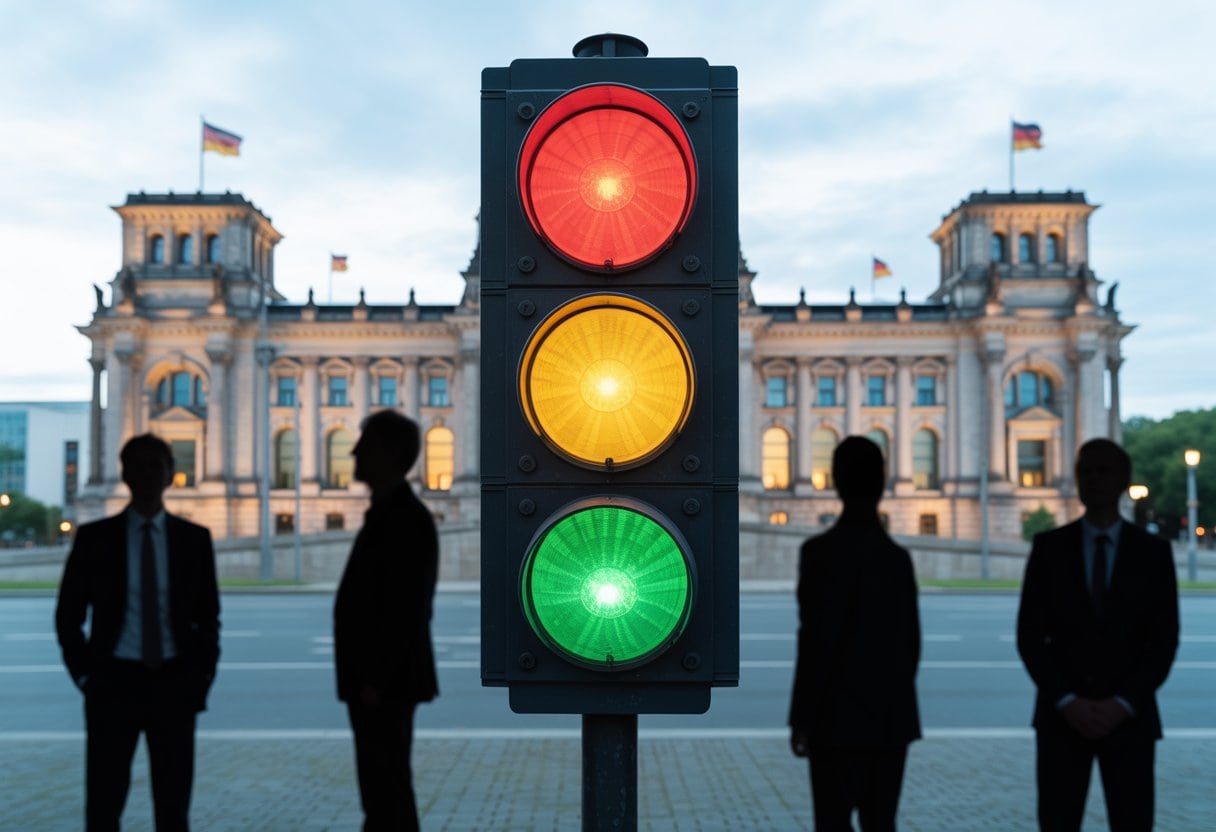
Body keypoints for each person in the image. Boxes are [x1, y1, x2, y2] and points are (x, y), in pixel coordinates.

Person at [55, 433, 221, 831]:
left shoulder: (194, 540)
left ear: (170, 475)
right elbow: (68, 616)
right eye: (139, 466)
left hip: (174, 683)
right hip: (113, 683)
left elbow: (208, 619)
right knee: (104, 805)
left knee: (174, 807)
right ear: (125, 474)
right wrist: (86, 675)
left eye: (156, 466)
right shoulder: (95, 539)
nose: (147, 474)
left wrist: (199, 678)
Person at [1017, 438, 1179, 831]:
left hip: (1129, 721)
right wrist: (1067, 700)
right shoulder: (1048, 547)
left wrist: (1122, 703)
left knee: (1132, 822)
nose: (1093, 479)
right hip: (1062, 721)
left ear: (1124, 480)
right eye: (1085, 471)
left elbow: (1163, 641)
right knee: (1058, 822)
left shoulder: (1154, 553)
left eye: (1103, 471)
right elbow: (1029, 637)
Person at [788, 435, 921, 831]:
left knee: (831, 823)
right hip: (888, 722)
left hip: (832, 723)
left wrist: (801, 719)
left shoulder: (818, 554)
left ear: (836, 481)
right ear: (882, 483)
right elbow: (910, 648)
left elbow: (814, 644)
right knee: (882, 823)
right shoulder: (898, 560)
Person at [334, 410, 439, 831]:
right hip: (377, 683)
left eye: (365, 443)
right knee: (383, 793)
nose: (355, 451)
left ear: (390, 453)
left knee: (387, 794)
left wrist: (375, 679)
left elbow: (407, 610)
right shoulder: (389, 512)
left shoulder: (404, 518)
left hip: (383, 686)